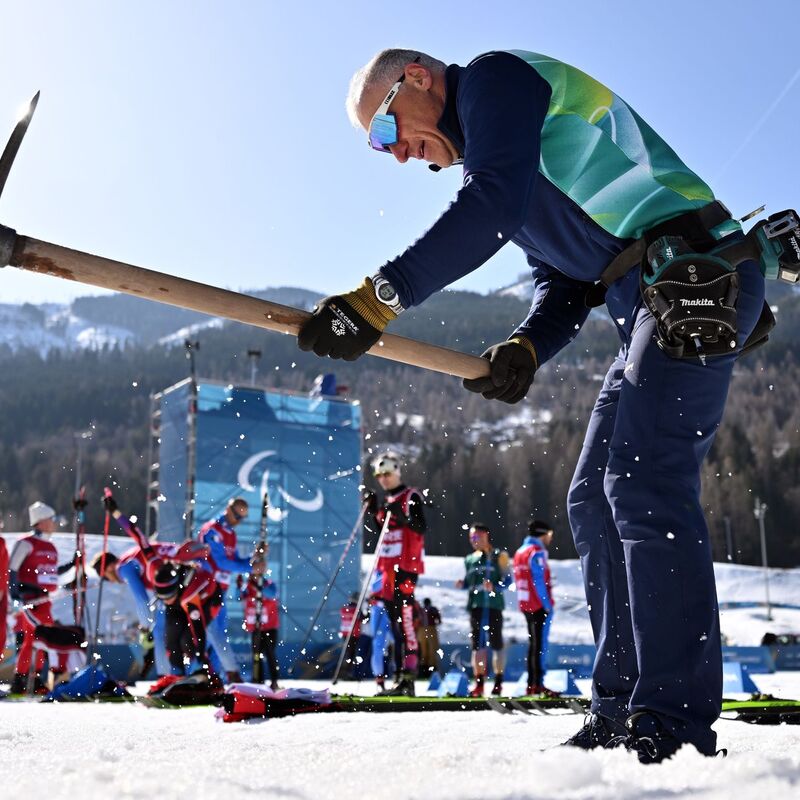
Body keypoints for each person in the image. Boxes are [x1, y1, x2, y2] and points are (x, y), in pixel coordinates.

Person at [297, 48, 769, 762]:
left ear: (418, 78)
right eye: (379, 146)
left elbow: (491, 204)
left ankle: (673, 720)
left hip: (697, 275)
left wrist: (378, 299)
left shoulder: (494, 81)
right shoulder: (499, 157)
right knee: (592, 497)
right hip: (646, 296)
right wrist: (525, 346)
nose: (394, 155)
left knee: (643, 481)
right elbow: (563, 285)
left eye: (385, 130)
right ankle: (620, 707)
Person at [363, 451, 426, 696]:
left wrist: (403, 516)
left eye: (387, 474)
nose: (383, 479)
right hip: (387, 571)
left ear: (397, 472)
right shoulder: (386, 501)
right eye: (379, 475)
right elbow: (384, 533)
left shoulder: (410, 496)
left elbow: (421, 527)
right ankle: (399, 678)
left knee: (406, 622)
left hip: (406, 569)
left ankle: (408, 679)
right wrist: (373, 511)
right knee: (396, 626)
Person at [7, 502, 76, 693]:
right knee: (34, 639)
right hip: (30, 599)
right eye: (51, 520)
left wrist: (72, 565)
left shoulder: (51, 547)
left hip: (45, 601)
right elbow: (12, 569)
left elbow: (51, 573)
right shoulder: (26, 543)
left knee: (42, 640)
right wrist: (15, 596)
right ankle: (20, 681)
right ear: (41, 522)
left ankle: (34, 680)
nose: (54, 524)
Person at [198, 497, 263, 680]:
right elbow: (220, 562)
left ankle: (215, 677)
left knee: (219, 634)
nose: (238, 521)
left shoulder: (231, 533)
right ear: (228, 509)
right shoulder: (212, 530)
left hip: (221, 590)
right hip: (207, 589)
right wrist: (251, 567)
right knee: (211, 633)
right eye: (237, 515)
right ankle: (204, 675)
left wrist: (254, 558)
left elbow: (234, 562)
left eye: (242, 518)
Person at [456, 523, 511, 696]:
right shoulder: (469, 559)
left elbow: (508, 581)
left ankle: (498, 683)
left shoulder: (498, 555)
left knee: (497, 645)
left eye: (477, 537)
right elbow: (469, 581)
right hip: (476, 607)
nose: (474, 541)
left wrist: (494, 586)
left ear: (486, 535)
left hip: (494, 607)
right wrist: (462, 584)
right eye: (471, 537)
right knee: (477, 647)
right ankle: (479, 684)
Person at [513, 520, 556, 696]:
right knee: (540, 644)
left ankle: (532, 684)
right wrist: (547, 604)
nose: (550, 539)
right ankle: (537, 683)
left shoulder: (519, 551)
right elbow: (538, 580)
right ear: (543, 534)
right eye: (550, 535)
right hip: (538, 604)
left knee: (533, 644)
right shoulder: (537, 552)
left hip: (525, 603)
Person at [238, 563, 280, 689]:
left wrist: (257, 585)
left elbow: (272, 594)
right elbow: (238, 597)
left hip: (270, 627)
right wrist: (238, 586)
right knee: (256, 656)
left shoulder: (269, 584)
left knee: (270, 654)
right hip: (256, 628)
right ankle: (258, 681)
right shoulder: (248, 587)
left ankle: (274, 681)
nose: (254, 576)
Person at [338, 592, 362, 680]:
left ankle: (347, 673)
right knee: (352, 654)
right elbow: (363, 618)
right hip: (353, 634)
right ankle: (350, 673)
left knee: (348, 654)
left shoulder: (344, 608)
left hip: (345, 633)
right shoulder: (356, 609)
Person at [417, 597, 441, 676]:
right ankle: (431, 668)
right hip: (430, 629)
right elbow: (439, 620)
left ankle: (424, 668)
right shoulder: (432, 609)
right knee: (432, 649)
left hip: (421, 630)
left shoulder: (420, 610)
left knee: (424, 650)